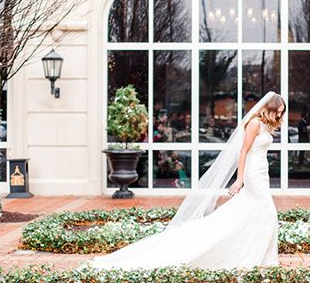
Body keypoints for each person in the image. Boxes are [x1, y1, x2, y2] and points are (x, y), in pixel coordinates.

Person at [89, 92, 286, 270]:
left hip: (262, 171)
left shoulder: (266, 125)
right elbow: (243, 151)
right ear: (268, 109)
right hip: (252, 172)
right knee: (267, 211)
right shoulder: (254, 123)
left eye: (281, 113)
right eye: (277, 111)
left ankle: (256, 253)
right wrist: (240, 179)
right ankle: (259, 255)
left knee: (252, 211)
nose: (279, 116)